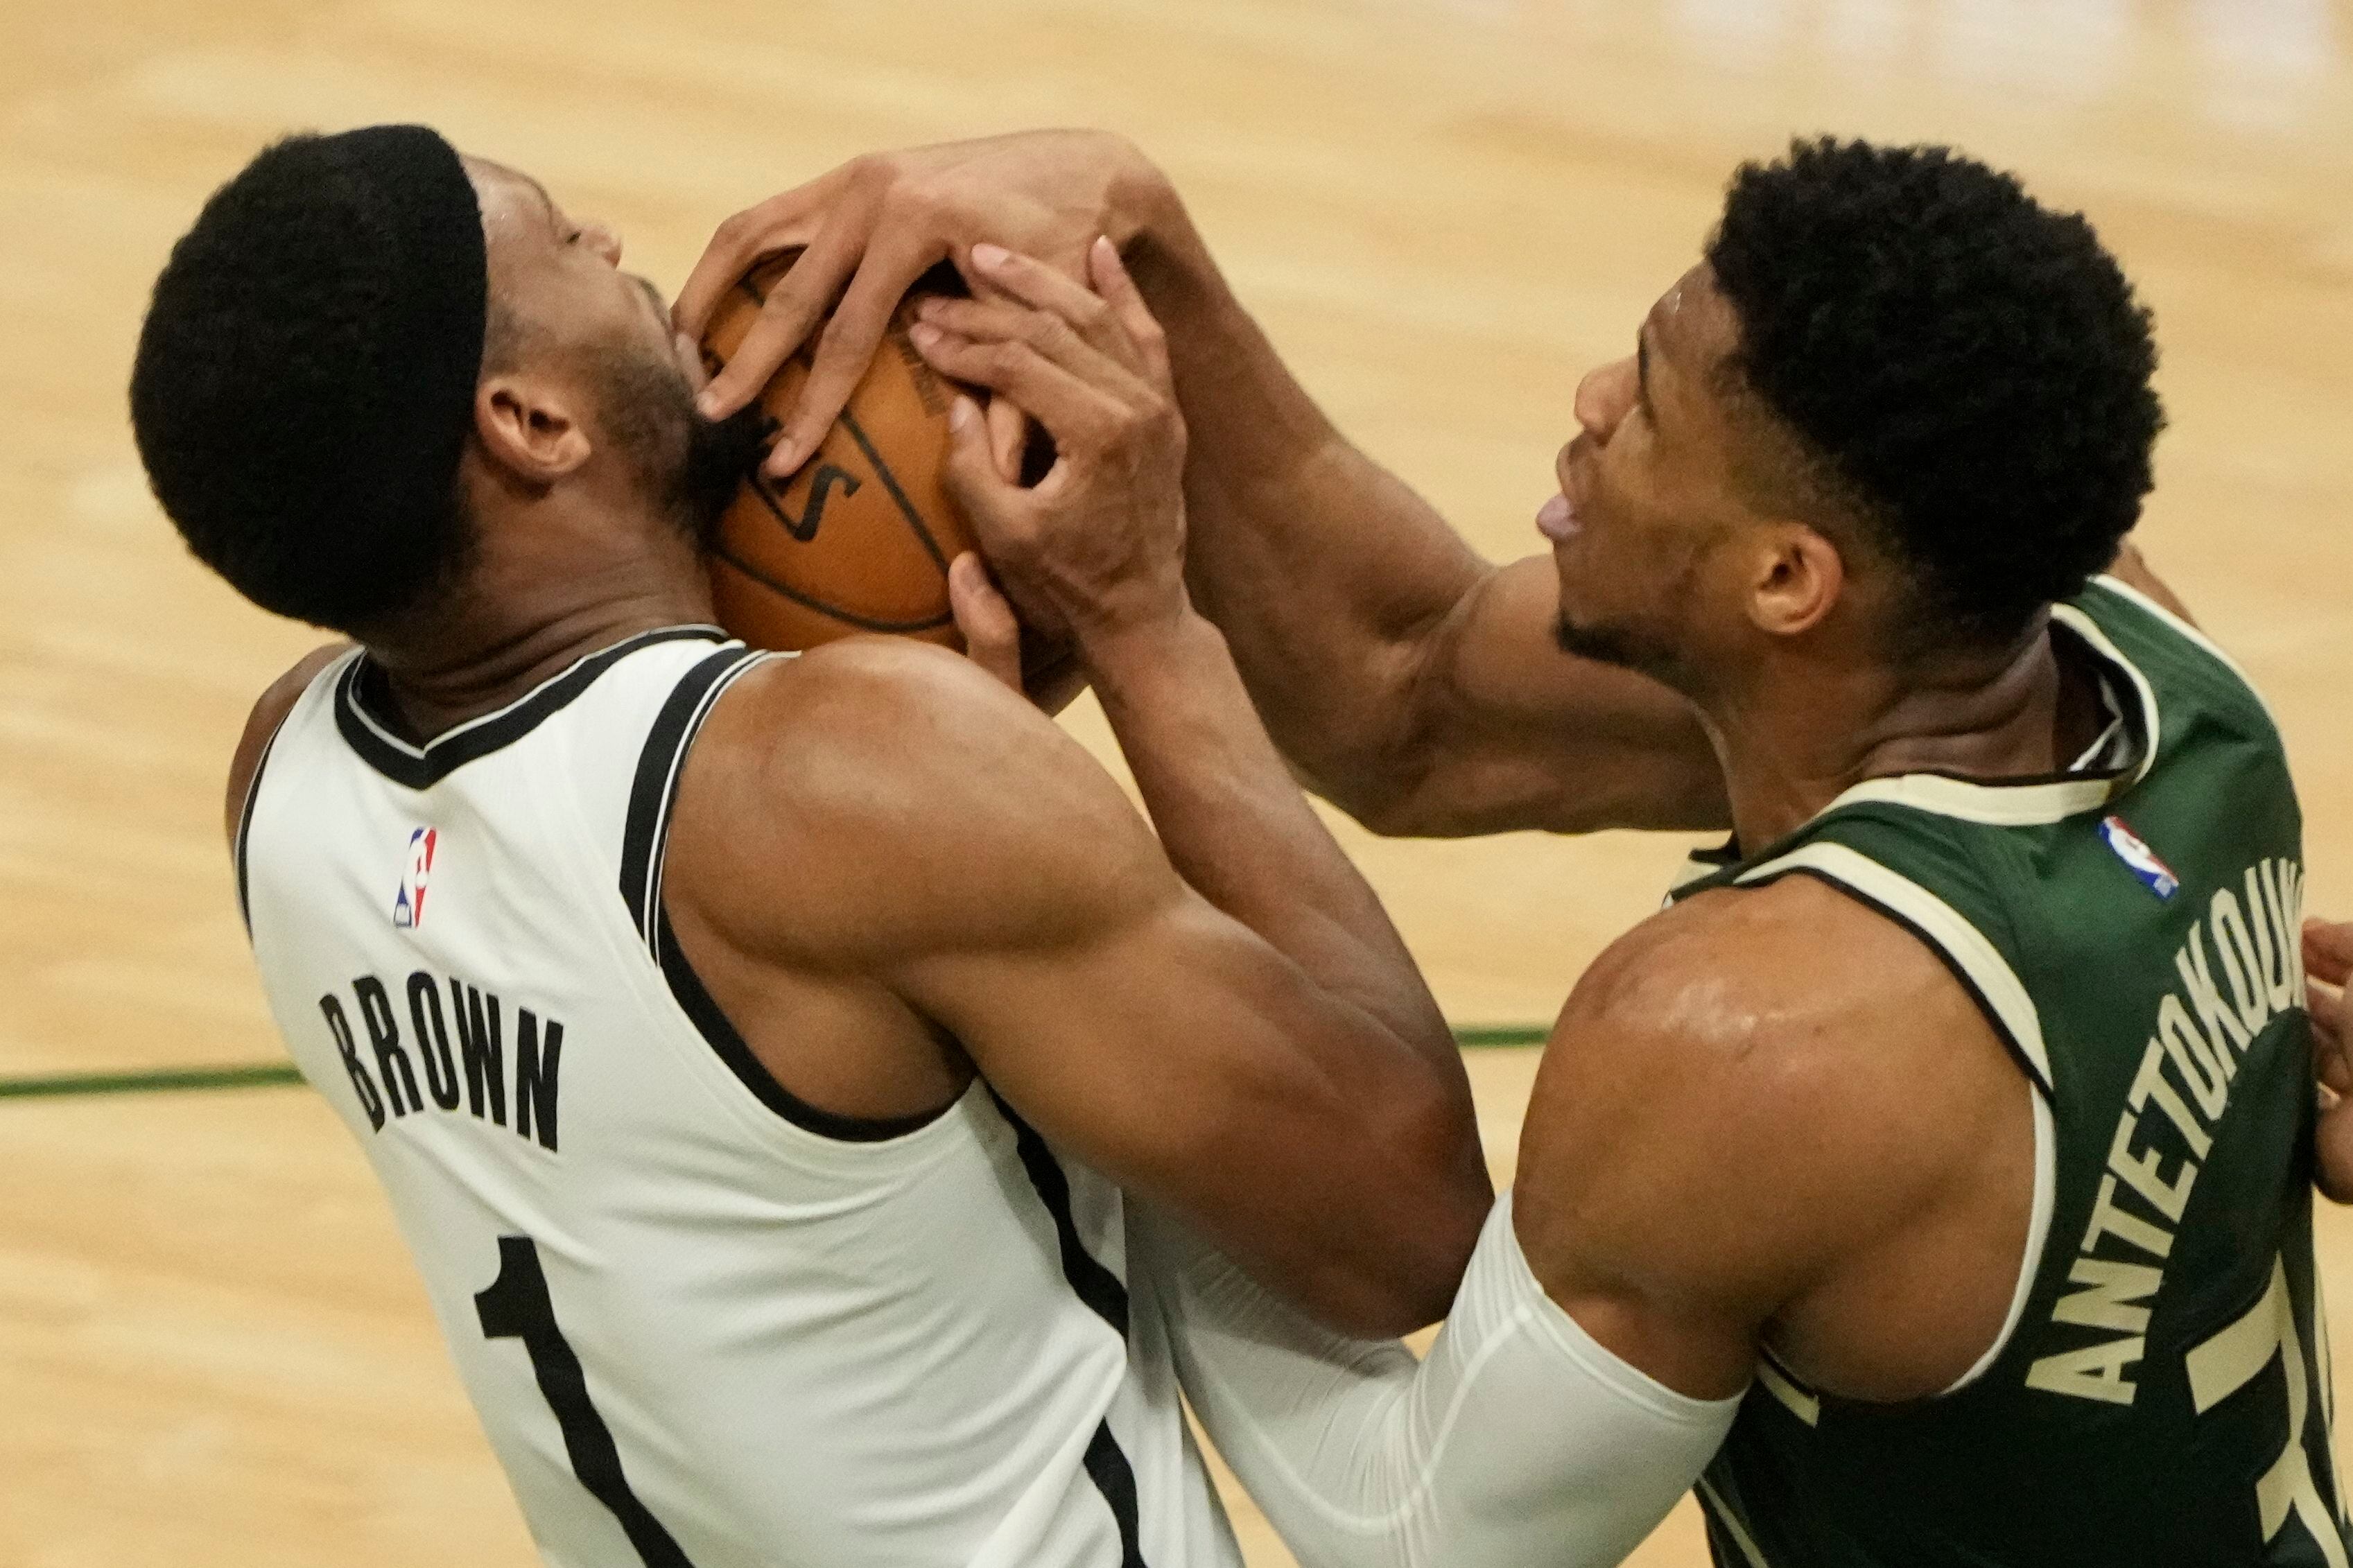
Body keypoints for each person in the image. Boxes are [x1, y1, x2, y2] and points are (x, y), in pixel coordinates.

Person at [684, 134, 2346, 1566]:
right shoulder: (2137, 667)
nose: (1588, 402)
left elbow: (1411, 1527)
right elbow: (1407, 696)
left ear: (1785, 584)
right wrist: (1143, 238)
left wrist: (1093, 1019)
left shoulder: (1759, 1048)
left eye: (1646, 408)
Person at [130, 124, 1497, 1568]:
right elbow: (1411, 1221)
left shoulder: (281, 784)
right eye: (566, 236)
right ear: (530, 424)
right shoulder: (832, 794)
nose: (616, 248)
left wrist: (930, 757)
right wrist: (1139, 618)